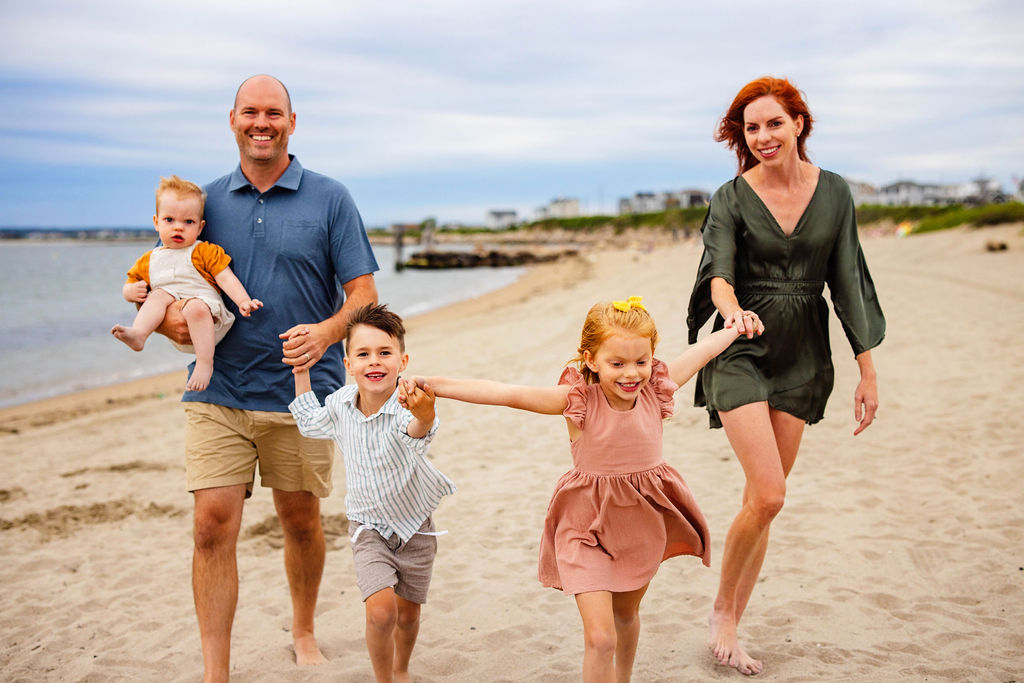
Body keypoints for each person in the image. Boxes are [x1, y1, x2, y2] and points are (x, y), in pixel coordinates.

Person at [156, 75, 379, 682]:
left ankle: (303, 628)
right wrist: (172, 322)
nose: (262, 122)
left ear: (292, 121)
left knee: (301, 519)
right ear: (231, 120)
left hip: (305, 393)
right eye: (250, 112)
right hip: (218, 389)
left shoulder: (331, 198)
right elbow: (168, 275)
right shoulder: (203, 202)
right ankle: (215, 671)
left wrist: (329, 334)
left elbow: (364, 294)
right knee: (210, 526)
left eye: (273, 113)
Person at [415, 296, 762, 682]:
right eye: (617, 363)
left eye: (641, 361)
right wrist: (433, 385)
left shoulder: (655, 391)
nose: (632, 374)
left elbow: (702, 350)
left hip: (640, 526)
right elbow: (506, 392)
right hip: (585, 529)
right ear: (591, 359)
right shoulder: (577, 400)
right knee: (600, 638)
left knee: (627, 616)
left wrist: (733, 327)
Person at [686, 76, 886, 675]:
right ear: (741, 137)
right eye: (752, 128)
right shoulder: (730, 196)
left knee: (761, 503)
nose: (764, 136)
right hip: (742, 344)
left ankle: (734, 620)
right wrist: (730, 311)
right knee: (771, 491)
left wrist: (866, 370)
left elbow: (849, 279)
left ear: (799, 122)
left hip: (804, 353)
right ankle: (723, 612)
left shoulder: (836, 193)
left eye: (775, 122)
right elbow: (717, 271)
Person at [288, 304, 455, 683]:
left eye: (384, 353)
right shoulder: (340, 404)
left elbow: (419, 431)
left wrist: (425, 414)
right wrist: (302, 372)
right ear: (348, 364)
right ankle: (384, 679)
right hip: (369, 529)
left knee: (408, 614)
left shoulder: (407, 406)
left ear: (402, 360)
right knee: (381, 612)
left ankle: (402, 669)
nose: (374, 362)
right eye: (363, 354)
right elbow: (310, 424)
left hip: (416, 527)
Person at [112, 175, 263, 391]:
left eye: (188, 222)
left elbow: (225, 277)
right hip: (177, 325)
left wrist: (243, 301)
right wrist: (130, 292)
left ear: (200, 227)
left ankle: (204, 363)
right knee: (158, 295)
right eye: (169, 220)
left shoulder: (203, 251)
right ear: (156, 222)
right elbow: (130, 282)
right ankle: (139, 334)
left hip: (208, 318)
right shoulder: (150, 259)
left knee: (194, 307)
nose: (178, 228)